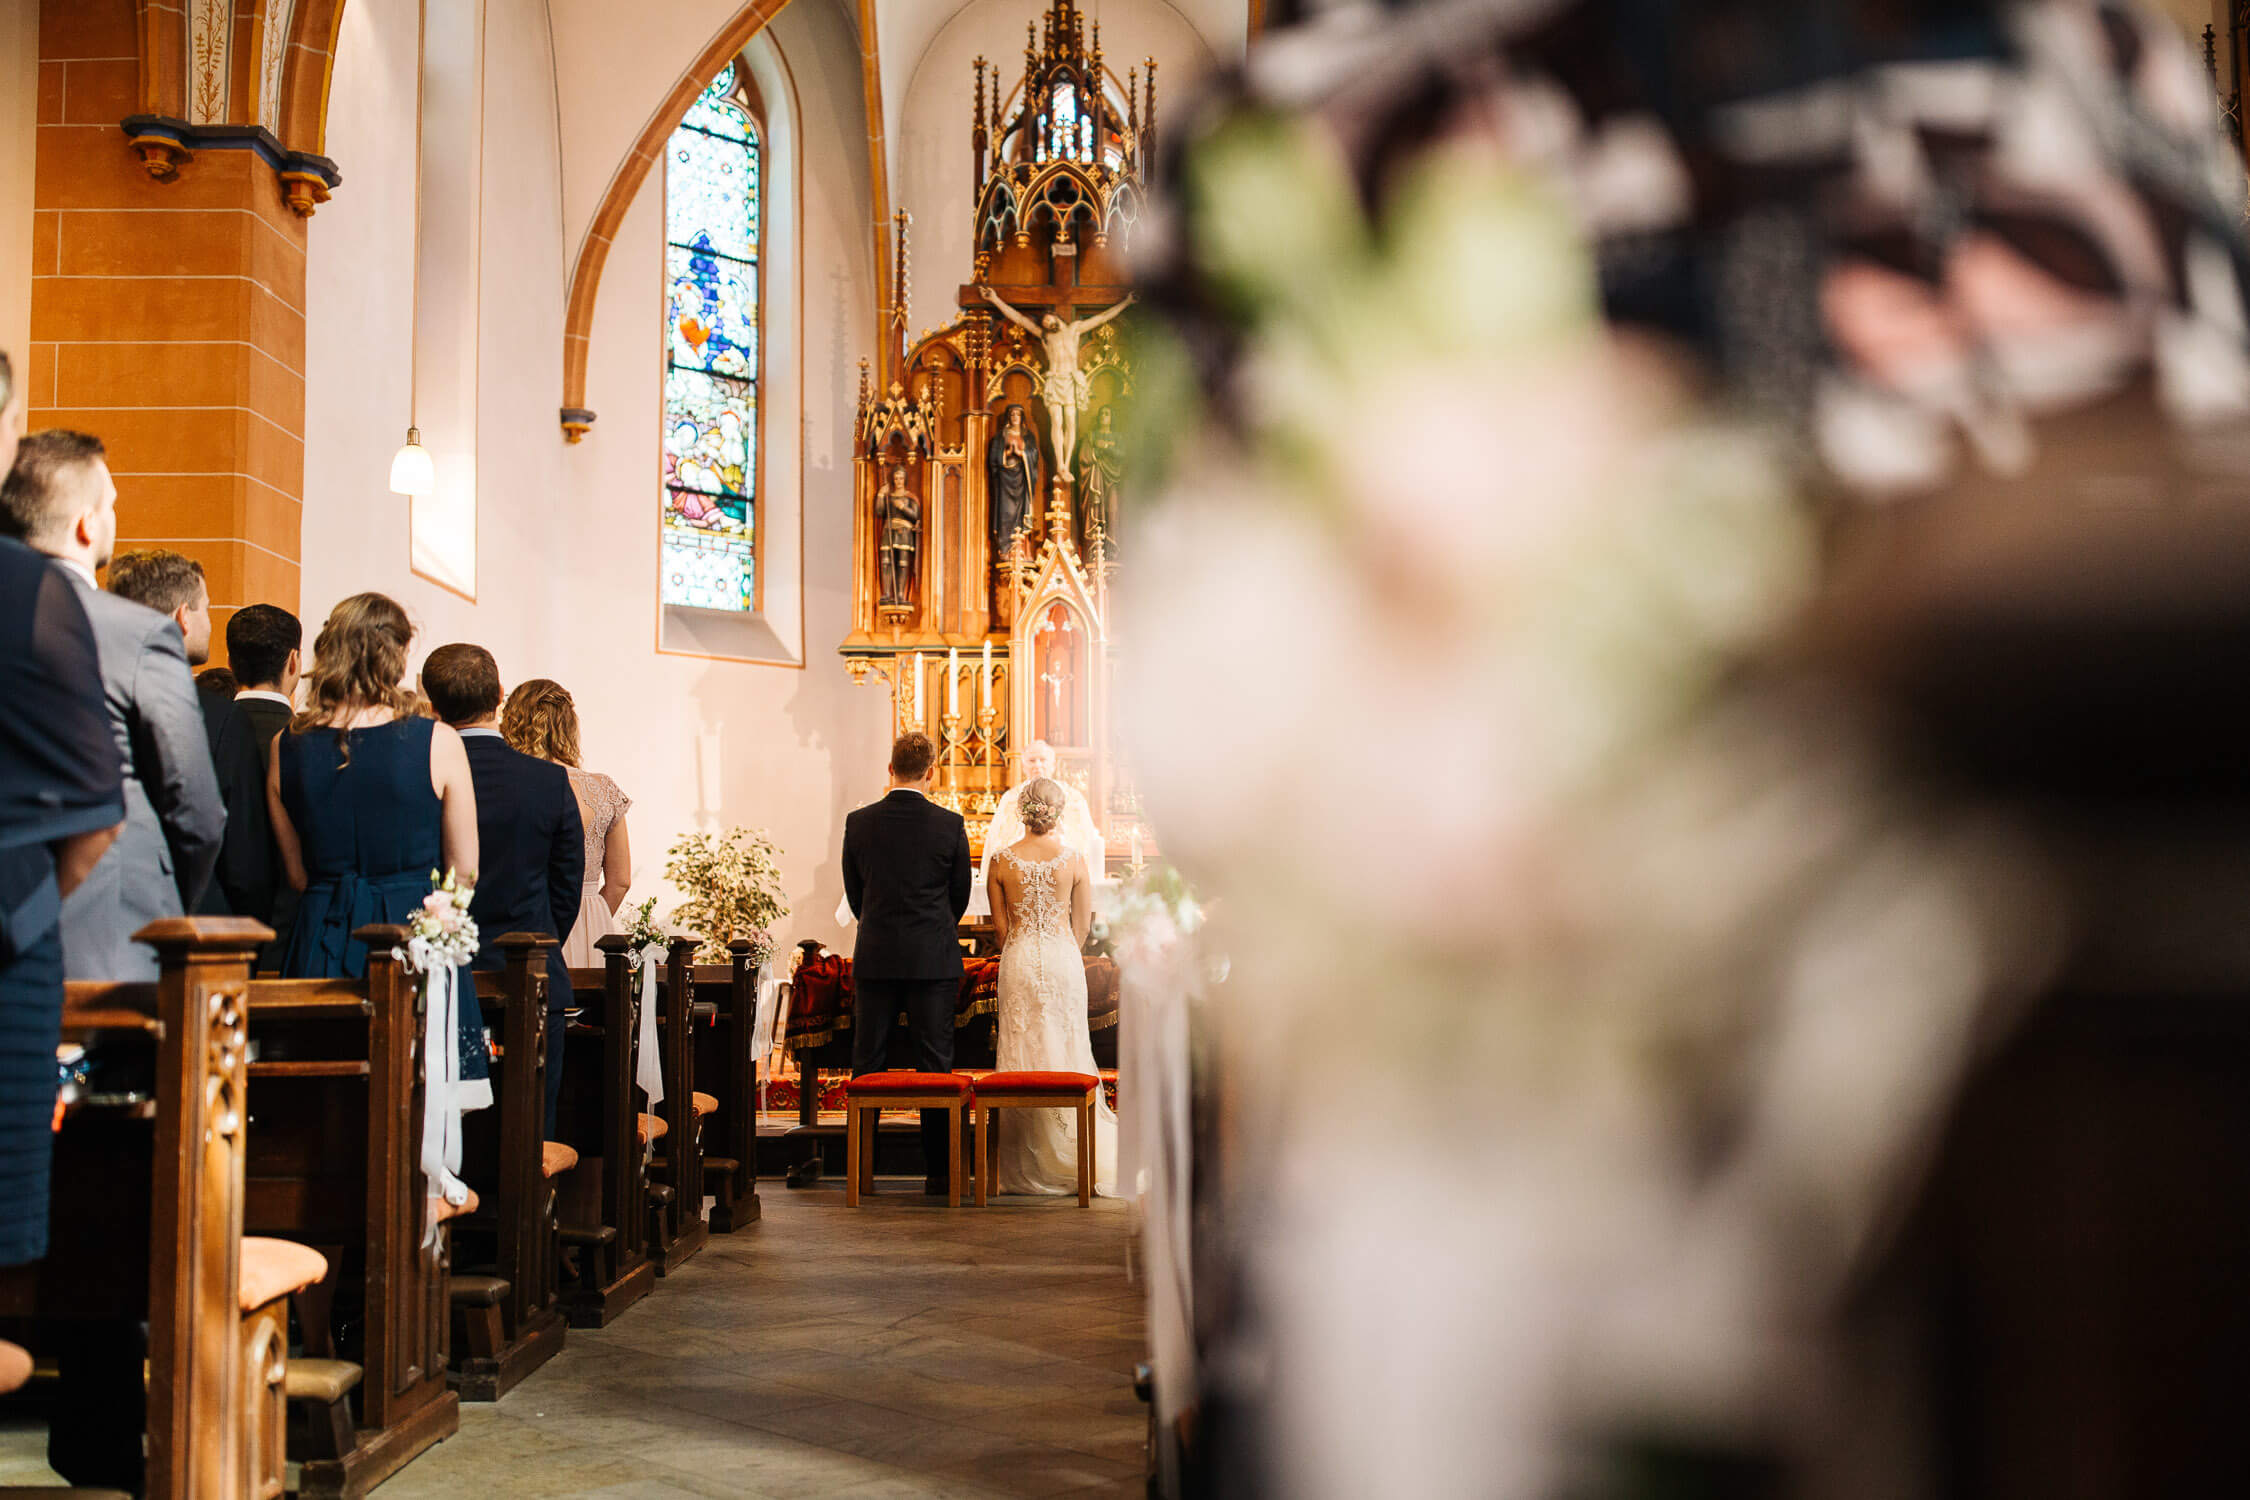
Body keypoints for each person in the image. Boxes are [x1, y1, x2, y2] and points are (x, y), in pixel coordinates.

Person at [0, 433, 223, 980]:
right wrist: (164, 893)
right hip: (111, 925)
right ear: (86, 524)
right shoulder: (137, 633)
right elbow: (195, 807)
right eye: (112, 506)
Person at [268, 594, 488, 1108]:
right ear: (397, 655)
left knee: (318, 1102)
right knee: (416, 1101)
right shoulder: (438, 741)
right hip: (415, 933)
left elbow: (297, 873)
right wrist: (440, 939)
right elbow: (467, 870)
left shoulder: (285, 745)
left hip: (322, 930)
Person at [424, 648, 582, 1134]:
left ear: (432, 704)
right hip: (529, 974)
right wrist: (536, 935)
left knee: (445, 1124)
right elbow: (566, 883)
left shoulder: (419, 774)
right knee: (530, 1124)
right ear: (499, 696)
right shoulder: (548, 781)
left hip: (442, 976)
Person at [841, 731, 973, 1196]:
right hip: (933, 959)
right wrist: (933, 931)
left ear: (890, 768)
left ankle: (862, 1171)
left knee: (867, 1061)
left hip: (876, 956)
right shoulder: (950, 823)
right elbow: (959, 895)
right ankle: (940, 1175)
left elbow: (855, 894)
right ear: (931, 772)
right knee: (935, 1066)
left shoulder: (859, 823)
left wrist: (880, 928)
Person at [989, 777, 1116, 1196]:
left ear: (1022, 811)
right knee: (1066, 1045)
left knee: (1023, 1047)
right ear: (1057, 813)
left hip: (1020, 960)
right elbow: (1082, 927)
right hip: (1062, 961)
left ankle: (1027, 1159)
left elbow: (1002, 930)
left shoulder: (1001, 861)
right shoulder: (1075, 860)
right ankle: (1075, 1151)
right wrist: (1059, 947)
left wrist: (1027, 944)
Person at [500, 678, 631, 969]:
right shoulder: (602, 788)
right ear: (569, 727)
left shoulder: (511, 784)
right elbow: (620, 881)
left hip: (529, 919)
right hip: (590, 921)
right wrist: (590, 920)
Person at [204, 604, 302, 959]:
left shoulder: (204, 729)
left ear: (230, 662)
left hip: (214, 931)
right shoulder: (314, 740)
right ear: (294, 662)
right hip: (294, 934)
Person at [980, 739, 1104, 890]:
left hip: (1063, 877)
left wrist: (1058, 841)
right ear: (1023, 766)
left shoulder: (1074, 798)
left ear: (1053, 764)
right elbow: (996, 841)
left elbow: (1084, 840)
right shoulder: (1010, 799)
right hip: (1019, 880)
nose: (1037, 765)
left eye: (1042, 760)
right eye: (1032, 760)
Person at [985, 402, 1041, 557]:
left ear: (1022, 417)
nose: (1015, 417)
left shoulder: (1028, 436)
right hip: (1005, 481)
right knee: (1007, 513)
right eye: (1012, 414)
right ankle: (1006, 550)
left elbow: (1034, 456)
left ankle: (1021, 549)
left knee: (1021, 514)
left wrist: (1022, 454)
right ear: (1009, 418)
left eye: (1018, 414)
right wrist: (1008, 453)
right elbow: (993, 458)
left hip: (1022, 481)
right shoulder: (1000, 436)